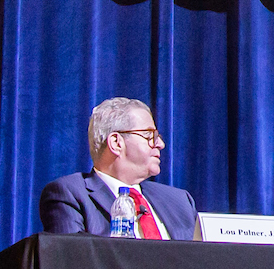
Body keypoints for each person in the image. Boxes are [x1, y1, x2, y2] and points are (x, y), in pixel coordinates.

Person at [38, 96, 201, 241]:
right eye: (150, 135)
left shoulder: (180, 201)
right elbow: (72, 263)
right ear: (116, 143)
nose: (160, 144)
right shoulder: (69, 195)